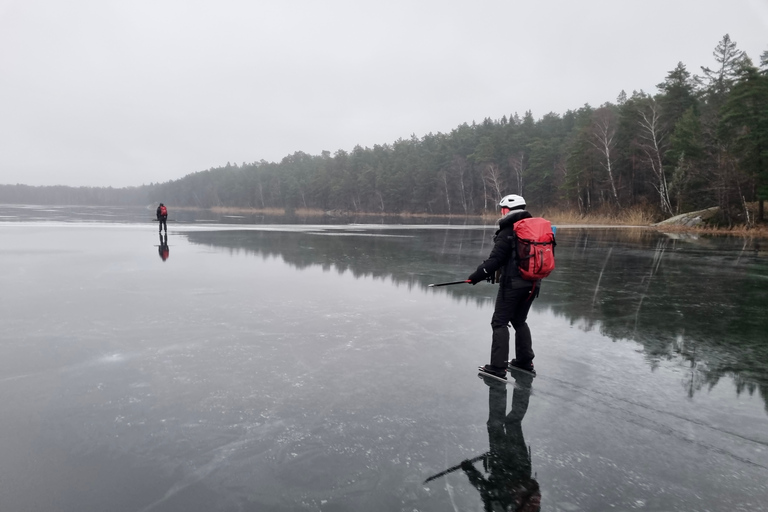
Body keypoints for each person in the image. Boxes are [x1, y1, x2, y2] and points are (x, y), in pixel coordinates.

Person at [468, 194, 538, 380]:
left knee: (499, 322)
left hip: (513, 285)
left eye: (502, 208)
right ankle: (525, 361)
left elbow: (496, 259)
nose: (501, 211)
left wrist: (476, 276)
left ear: (508, 210)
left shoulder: (508, 230)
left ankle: (497, 367)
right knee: (519, 320)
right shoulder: (533, 229)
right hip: (533, 283)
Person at [462, 371, 540, 512]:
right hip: (507, 466)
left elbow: (486, 491)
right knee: (499, 425)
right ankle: (502, 386)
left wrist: (470, 471)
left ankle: (515, 385)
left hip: (511, 466)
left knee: (508, 424)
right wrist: (469, 470)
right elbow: (486, 490)